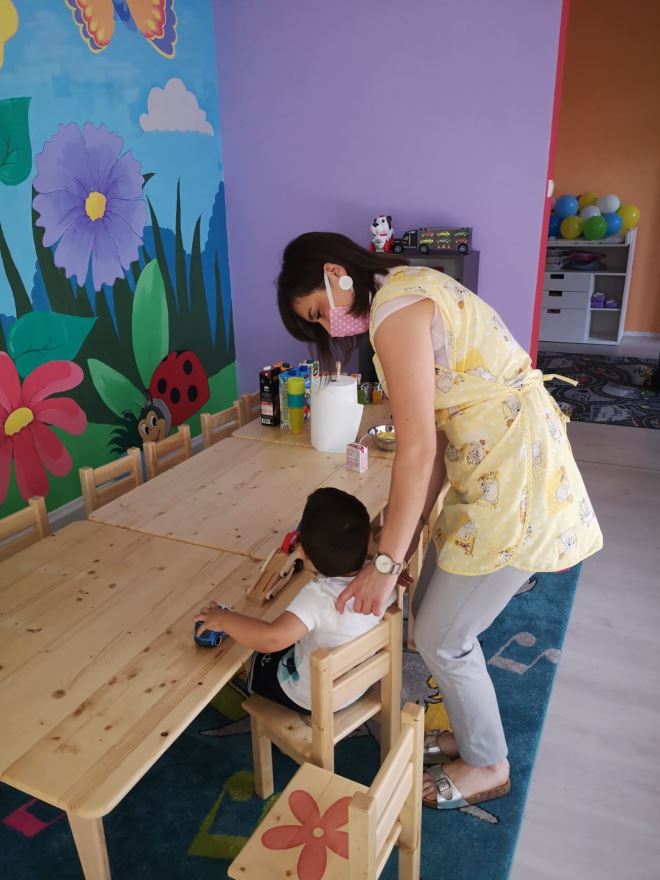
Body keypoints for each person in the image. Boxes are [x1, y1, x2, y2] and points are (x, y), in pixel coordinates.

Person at [277, 232, 603, 809]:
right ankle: (470, 738)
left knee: (442, 637)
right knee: (430, 616)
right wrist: (399, 544)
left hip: (512, 477)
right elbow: (429, 451)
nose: (330, 327)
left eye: (319, 312)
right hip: (493, 466)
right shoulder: (407, 288)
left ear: (334, 272)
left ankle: (488, 763)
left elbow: (418, 450)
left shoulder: (395, 312)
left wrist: (384, 563)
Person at [195, 487, 394, 713]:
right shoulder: (382, 580)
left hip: (313, 698)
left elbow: (270, 639)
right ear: (369, 538)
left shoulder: (317, 598)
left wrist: (223, 619)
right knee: (290, 634)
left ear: (302, 552)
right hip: (356, 685)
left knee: (256, 655)